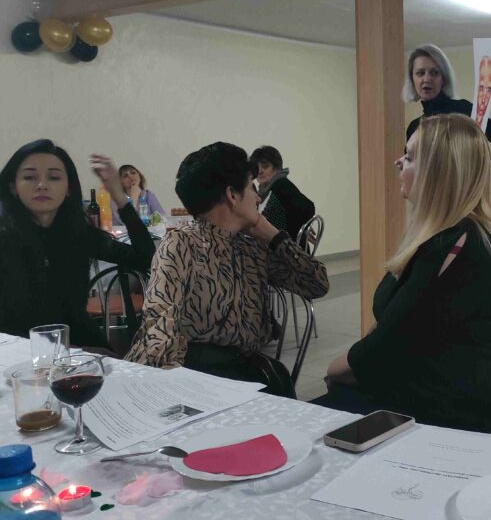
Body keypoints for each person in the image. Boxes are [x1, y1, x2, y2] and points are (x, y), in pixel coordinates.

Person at [317, 114, 491, 434]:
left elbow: (386, 345)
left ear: (437, 173)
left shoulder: (456, 247)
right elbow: (395, 326)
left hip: (454, 419)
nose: (398, 162)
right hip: (452, 400)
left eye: (408, 157)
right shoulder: (467, 236)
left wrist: (336, 369)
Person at [125, 142, 328, 392]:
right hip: (194, 374)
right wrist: (178, 391)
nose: (257, 198)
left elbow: (317, 285)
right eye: (251, 187)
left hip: (244, 374)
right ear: (233, 196)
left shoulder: (253, 246)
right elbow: (160, 328)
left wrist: (276, 237)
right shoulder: (181, 244)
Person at [0, 139, 155, 347]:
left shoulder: (77, 233)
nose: (42, 185)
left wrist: (118, 194)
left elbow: (146, 258)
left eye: (54, 177)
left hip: (79, 347)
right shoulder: (5, 236)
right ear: (13, 187)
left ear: (68, 189)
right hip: (16, 352)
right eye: (29, 177)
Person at [404, 43, 491, 144]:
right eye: (420, 73)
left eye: (434, 73)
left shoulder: (462, 110)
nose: (427, 79)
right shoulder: (414, 127)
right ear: (412, 79)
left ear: (444, 78)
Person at [249, 145, 315, 240]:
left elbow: (308, 207)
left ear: (276, 167)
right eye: (256, 168)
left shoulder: (281, 184)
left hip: (287, 247)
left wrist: (301, 228)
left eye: (265, 166)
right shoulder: (261, 193)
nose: (260, 171)